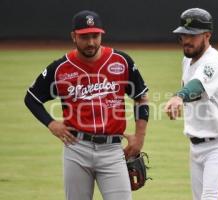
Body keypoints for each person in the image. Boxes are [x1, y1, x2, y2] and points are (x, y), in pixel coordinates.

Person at [24, 10, 149, 200]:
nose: (91, 42)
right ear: (74, 36)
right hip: (76, 148)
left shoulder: (121, 61)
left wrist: (139, 138)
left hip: (112, 150)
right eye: (84, 37)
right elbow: (31, 98)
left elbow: (141, 97)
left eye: (95, 36)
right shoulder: (60, 68)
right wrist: (51, 123)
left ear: (101, 35)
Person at [164, 8, 218, 200]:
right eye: (184, 35)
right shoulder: (188, 59)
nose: (187, 40)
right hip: (196, 148)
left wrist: (179, 97)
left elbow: (198, 85)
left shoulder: (214, 61)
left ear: (207, 35)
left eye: (193, 35)